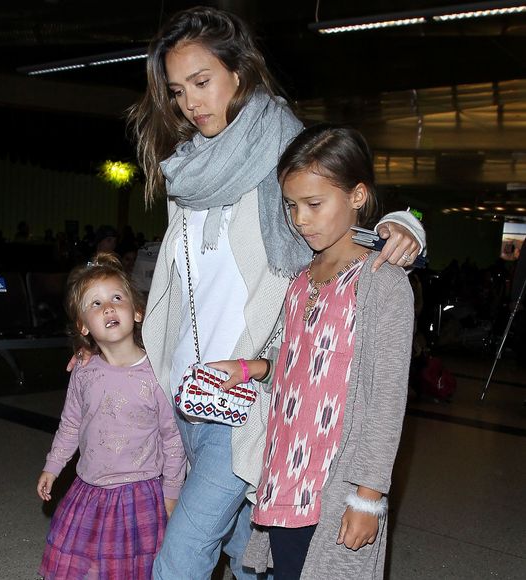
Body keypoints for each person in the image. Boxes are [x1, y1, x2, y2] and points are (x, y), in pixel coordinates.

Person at [126, 6, 424, 579]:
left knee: (178, 559)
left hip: (253, 408)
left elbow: (337, 209)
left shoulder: (280, 150)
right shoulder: (190, 168)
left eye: (203, 82)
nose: (190, 102)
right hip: (194, 386)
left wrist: (406, 225)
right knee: (250, 560)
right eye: (178, 90)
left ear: (238, 72)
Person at [213, 125, 414, 579]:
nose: (300, 219)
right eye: (291, 205)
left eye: (314, 204)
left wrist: (368, 495)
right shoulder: (303, 278)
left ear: (358, 195)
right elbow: (295, 361)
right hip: (286, 477)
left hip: (335, 483)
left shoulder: (382, 281)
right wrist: (251, 368)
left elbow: (386, 398)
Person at [37, 252, 186, 579]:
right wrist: (53, 465)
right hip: (89, 487)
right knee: (86, 561)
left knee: (134, 565)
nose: (107, 307)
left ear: (136, 311)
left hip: (140, 491)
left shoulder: (157, 373)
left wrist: (173, 492)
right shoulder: (84, 370)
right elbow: (71, 424)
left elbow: (173, 439)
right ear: (83, 327)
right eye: (95, 304)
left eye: (116, 298)